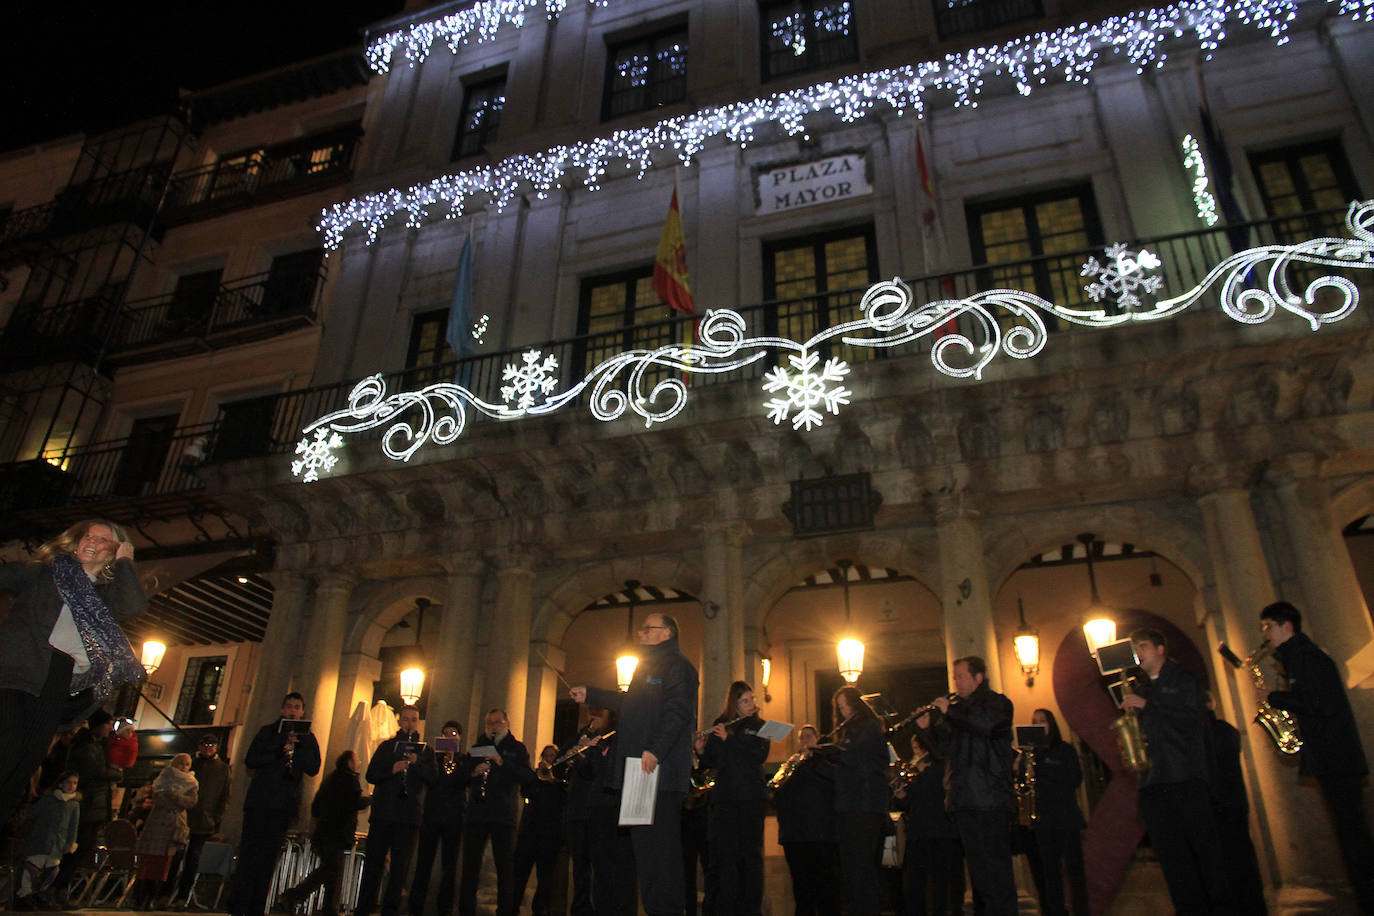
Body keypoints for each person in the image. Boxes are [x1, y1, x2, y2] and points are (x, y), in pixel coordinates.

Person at [0, 519, 148, 831]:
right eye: (88, 536)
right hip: (16, 667)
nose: (92, 541)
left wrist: (126, 561)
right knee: (8, 745)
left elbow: (133, 603)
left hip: (57, 678)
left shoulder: (104, 596)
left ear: (113, 551)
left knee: (27, 761)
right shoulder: (45, 572)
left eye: (104, 540)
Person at [570, 611, 700, 916]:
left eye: (647, 629)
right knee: (645, 854)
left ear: (667, 633)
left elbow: (679, 712)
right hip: (636, 773)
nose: (640, 633)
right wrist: (591, 693)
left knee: (662, 852)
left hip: (659, 773)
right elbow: (629, 702)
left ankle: (668, 911)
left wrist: (655, 750)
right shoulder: (645, 669)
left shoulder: (679, 667)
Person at [1257, 601, 1374, 912]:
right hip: (1332, 757)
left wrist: (1275, 696)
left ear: (1286, 626)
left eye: (1268, 627)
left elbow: (1319, 703)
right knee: (1350, 833)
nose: (1266, 635)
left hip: (1335, 758)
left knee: (1353, 835)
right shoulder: (1299, 658)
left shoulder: (1307, 658)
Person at [1120, 628, 1229, 914]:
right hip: (1153, 783)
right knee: (1172, 859)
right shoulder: (1140, 685)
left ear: (1160, 649)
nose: (1138, 652)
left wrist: (1148, 706)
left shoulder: (1181, 679)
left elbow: (1192, 718)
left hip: (1184, 778)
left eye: (1143, 646)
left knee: (1204, 854)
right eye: (1135, 648)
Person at [920, 656, 1016, 916]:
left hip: (990, 799)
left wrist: (950, 712)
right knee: (980, 874)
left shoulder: (997, 703)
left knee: (996, 871)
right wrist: (927, 731)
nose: (956, 682)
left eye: (961, 676)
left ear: (978, 678)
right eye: (955, 677)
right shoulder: (958, 712)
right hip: (965, 800)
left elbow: (986, 725)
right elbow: (944, 751)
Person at [227, 692, 322, 916]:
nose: (292, 710)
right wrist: (279, 749)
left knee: (268, 858)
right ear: (282, 709)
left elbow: (313, 767)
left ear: (302, 712)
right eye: (289, 706)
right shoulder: (267, 732)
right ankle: (238, 906)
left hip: (283, 806)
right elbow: (251, 760)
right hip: (260, 803)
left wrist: (297, 750)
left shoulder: (307, 737)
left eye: (297, 707)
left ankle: (257, 906)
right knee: (249, 855)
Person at [357, 705, 437, 916]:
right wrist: (391, 770)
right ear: (400, 722)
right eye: (406, 719)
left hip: (409, 818)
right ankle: (364, 908)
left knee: (400, 869)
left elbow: (433, 779)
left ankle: (390, 910)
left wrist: (417, 763)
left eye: (414, 720)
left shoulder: (426, 751)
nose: (410, 723)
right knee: (373, 865)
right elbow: (371, 775)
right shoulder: (387, 747)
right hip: (384, 814)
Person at [697, 680, 768, 916]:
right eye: (745, 701)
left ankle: (751, 909)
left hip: (750, 799)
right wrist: (701, 750)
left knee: (751, 856)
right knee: (725, 856)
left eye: (752, 699)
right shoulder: (722, 724)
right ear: (735, 704)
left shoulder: (761, 726)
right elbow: (713, 762)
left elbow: (758, 755)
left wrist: (730, 740)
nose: (752, 704)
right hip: (726, 799)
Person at [457, 708, 533, 916]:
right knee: (470, 866)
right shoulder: (477, 747)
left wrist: (502, 762)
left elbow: (527, 776)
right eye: (490, 723)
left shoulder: (516, 748)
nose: (493, 727)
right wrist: (473, 772)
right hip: (477, 813)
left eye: (498, 722)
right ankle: (466, 910)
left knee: (505, 868)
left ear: (507, 724)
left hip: (503, 815)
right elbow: (461, 777)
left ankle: (505, 911)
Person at [278, 750, 372, 916]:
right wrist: (370, 799)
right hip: (338, 831)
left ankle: (328, 907)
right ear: (350, 762)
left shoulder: (331, 778)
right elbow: (354, 802)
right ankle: (296, 895)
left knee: (331, 871)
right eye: (356, 760)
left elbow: (316, 806)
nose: (359, 763)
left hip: (325, 830)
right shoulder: (350, 780)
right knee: (330, 870)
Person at [828, 686, 890, 916]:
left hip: (864, 806)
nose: (844, 711)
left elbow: (854, 757)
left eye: (846, 705)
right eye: (840, 707)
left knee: (862, 868)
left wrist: (831, 753)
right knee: (852, 869)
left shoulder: (869, 727)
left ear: (857, 704)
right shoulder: (847, 732)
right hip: (848, 805)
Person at [1202, 693, 1266, 916]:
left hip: (1219, 807)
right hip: (1233, 804)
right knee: (1243, 863)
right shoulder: (1226, 730)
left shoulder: (1207, 734)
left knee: (1227, 867)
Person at [893, 721, 962, 916]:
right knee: (915, 882)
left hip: (940, 831)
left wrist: (921, 775)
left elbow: (938, 793)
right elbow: (910, 801)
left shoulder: (940, 768)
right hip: (917, 832)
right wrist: (901, 796)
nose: (915, 752)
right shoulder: (913, 772)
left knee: (940, 882)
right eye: (913, 748)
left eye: (918, 747)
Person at [1024, 709, 1087, 916]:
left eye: (1042, 720)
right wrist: (1027, 771)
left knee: (1075, 871)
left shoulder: (1065, 750)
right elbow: (1024, 786)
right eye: (1034, 721)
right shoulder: (1031, 755)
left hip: (1066, 818)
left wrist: (1044, 770)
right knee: (1050, 874)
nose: (1039, 724)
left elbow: (1075, 779)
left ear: (1051, 723)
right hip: (1044, 821)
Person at [773, 724, 841, 916]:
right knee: (803, 893)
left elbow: (835, 784)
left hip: (822, 837)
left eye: (809, 736)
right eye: (802, 738)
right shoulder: (791, 765)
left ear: (818, 739)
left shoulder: (828, 762)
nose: (805, 741)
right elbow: (778, 794)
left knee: (827, 892)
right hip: (795, 837)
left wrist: (816, 758)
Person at [55, 708, 124, 898]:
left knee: (81, 847)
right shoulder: (86, 745)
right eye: (108, 724)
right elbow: (96, 771)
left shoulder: (96, 745)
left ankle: (60, 887)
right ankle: (56, 886)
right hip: (86, 804)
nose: (110, 728)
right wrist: (117, 773)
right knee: (75, 846)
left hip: (92, 804)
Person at [560, 709, 615, 916]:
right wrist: (571, 752)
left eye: (598, 716)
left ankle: (602, 908)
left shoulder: (607, 741)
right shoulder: (578, 738)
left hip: (597, 811)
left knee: (600, 865)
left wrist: (582, 756)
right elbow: (557, 766)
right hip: (576, 809)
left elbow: (595, 772)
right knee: (579, 864)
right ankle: (580, 908)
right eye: (591, 716)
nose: (593, 720)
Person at [409, 720, 467, 916]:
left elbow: (463, 782)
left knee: (449, 867)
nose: (448, 738)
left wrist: (453, 759)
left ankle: (445, 908)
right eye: (445, 734)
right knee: (423, 864)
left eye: (453, 735)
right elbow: (430, 780)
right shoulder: (432, 758)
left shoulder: (464, 760)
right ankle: (415, 907)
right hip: (432, 816)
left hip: (454, 818)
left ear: (459, 738)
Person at [133, 753, 200, 908]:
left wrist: (175, 797)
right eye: (181, 763)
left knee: (168, 864)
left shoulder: (191, 783)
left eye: (187, 764)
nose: (183, 767)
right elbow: (159, 798)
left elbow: (191, 802)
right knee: (150, 862)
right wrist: (176, 801)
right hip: (156, 826)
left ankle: (159, 897)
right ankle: (143, 896)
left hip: (176, 827)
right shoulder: (163, 779)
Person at [173, 733, 232, 907]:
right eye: (205, 745)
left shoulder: (222, 768)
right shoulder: (191, 764)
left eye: (211, 745)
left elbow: (224, 795)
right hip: (183, 818)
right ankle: (164, 893)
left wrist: (215, 818)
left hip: (204, 821)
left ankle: (182, 897)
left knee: (193, 860)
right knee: (175, 857)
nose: (208, 748)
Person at [513, 744, 566, 916]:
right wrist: (538, 778)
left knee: (546, 878)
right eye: (546, 756)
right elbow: (525, 792)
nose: (549, 759)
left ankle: (540, 908)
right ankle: (512, 906)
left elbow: (564, 801)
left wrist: (554, 781)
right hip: (529, 833)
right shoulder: (532, 777)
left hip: (549, 835)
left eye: (552, 756)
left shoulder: (560, 782)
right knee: (520, 874)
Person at [15, 769, 80, 910]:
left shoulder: (74, 805)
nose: (72, 786)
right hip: (41, 839)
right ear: (61, 784)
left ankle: (40, 894)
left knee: (52, 870)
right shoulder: (48, 801)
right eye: (69, 782)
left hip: (58, 842)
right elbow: (31, 814)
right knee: (32, 867)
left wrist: (71, 841)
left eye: (75, 783)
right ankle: (25, 895)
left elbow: (73, 825)